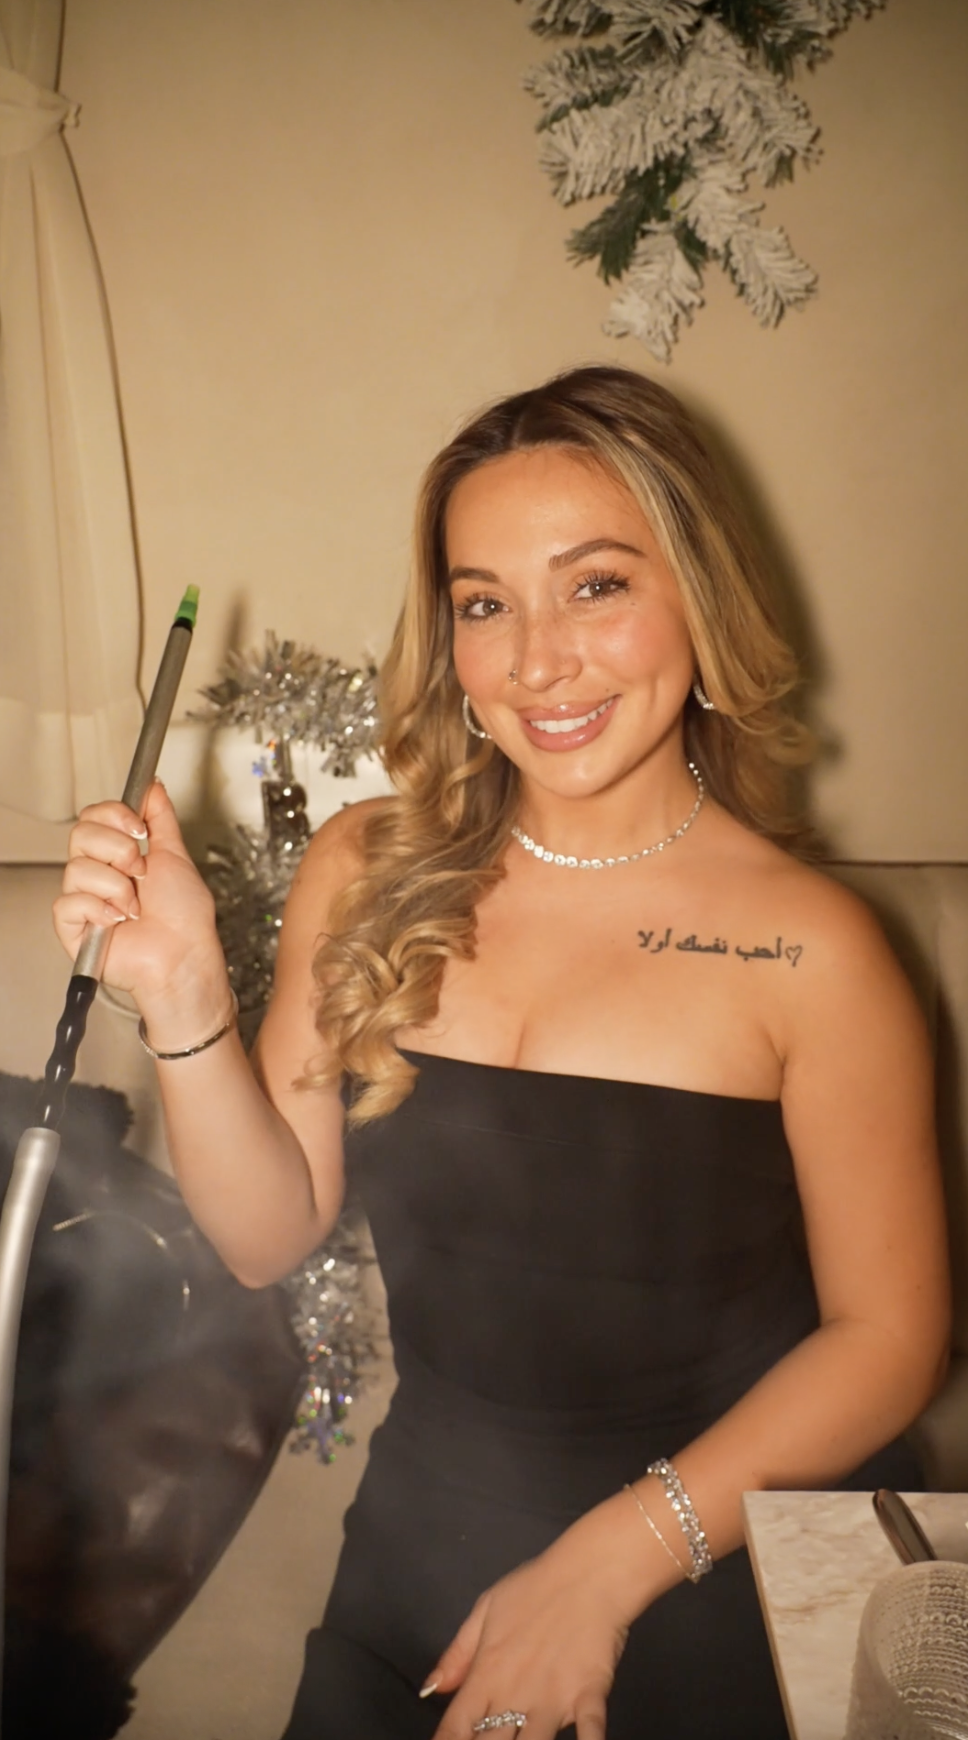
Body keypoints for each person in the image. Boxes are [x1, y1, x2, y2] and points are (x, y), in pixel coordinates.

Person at [54, 367, 950, 1740]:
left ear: (699, 598)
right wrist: (182, 992)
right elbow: (264, 1235)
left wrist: (608, 1565)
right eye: (485, 604)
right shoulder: (366, 868)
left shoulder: (816, 948)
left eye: (596, 586)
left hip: (724, 1551)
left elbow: (890, 1341)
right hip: (421, 1550)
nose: (538, 660)